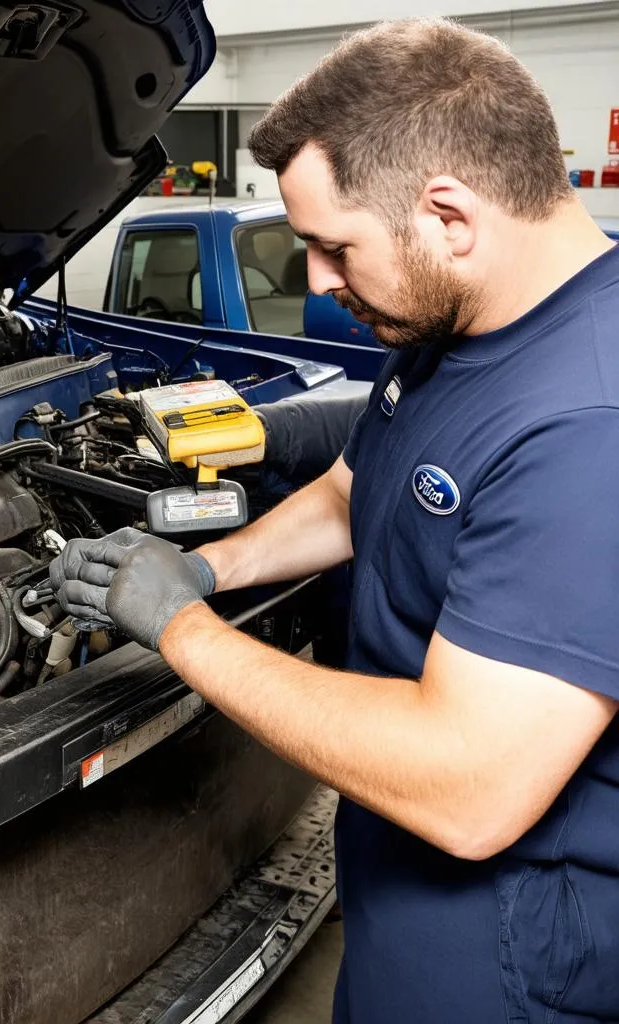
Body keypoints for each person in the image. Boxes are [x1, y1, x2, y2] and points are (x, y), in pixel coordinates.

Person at [50, 19, 619, 1024]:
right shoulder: (457, 323)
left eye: (331, 245)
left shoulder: (589, 423)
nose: (315, 278)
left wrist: (181, 633)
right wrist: (208, 571)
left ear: (448, 215)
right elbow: (357, 489)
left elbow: (466, 785)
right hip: (398, 889)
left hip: (511, 952)